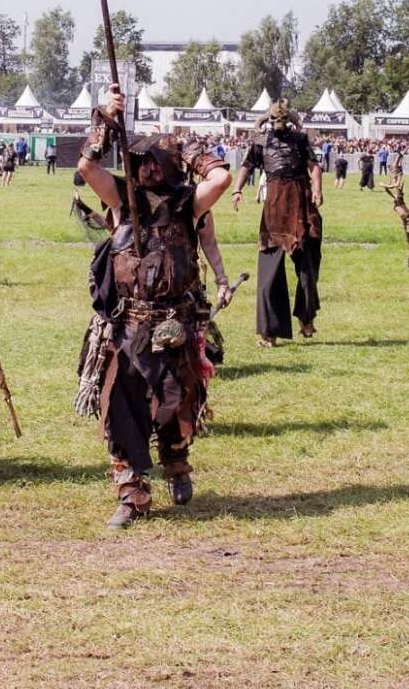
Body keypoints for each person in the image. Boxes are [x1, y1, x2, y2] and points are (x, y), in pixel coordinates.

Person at [75, 85, 233, 527]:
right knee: (121, 405)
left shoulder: (187, 203)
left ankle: (176, 462)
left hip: (175, 323)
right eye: (140, 160)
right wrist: (106, 119)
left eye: (154, 161)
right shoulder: (124, 201)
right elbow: (88, 167)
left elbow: (220, 178)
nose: (146, 168)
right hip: (129, 327)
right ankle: (130, 491)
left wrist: (189, 148)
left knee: (175, 402)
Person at [231, 99, 323, 347]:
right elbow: (247, 166)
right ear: (269, 121)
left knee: (307, 269)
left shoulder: (301, 140)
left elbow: (314, 166)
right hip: (274, 207)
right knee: (269, 274)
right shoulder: (261, 142)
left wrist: (317, 189)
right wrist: (236, 190)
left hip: (301, 204)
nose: (279, 125)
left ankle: (306, 318)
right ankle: (268, 331)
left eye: (283, 120)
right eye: (274, 120)